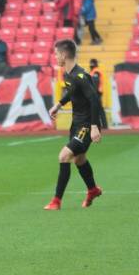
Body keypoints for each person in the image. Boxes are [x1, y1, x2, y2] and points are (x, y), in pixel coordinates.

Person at [43, 40, 105, 211]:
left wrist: (94, 126)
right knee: (80, 159)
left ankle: (56, 201)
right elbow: (72, 91)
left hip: (86, 125)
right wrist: (58, 105)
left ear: (63, 55)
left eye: (56, 54)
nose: (55, 57)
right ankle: (93, 190)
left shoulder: (81, 76)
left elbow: (94, 100)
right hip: (76, 124)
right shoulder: (70, 74)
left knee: (64, 156)